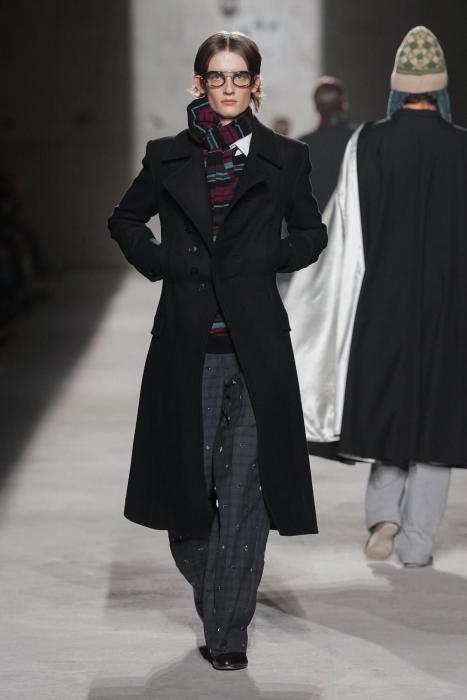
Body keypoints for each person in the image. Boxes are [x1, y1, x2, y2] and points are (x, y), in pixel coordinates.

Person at [108, 31, 327, 671]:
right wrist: (163, 264)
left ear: (255, 84)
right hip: (187, 346)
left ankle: (228, 632)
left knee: (246, 494)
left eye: (239, 77)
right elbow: (124, 219)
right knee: (187, 494)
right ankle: (221, 595)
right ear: (199, 83)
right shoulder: (167, 156)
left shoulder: (286, 157)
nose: (228, 87)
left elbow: (311, 232)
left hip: (257, 348)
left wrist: (268, 258)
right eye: (216, 76)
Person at [282, 26, 466, 568]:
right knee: (436, 417)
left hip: (382, 297)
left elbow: (345, 228)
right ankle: (418, 541)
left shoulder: (368, 142)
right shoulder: (462, 146)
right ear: (440, 86)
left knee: (390, 403)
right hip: (449, 304)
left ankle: (384, 517)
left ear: (397, 85)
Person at [298, 76, 354, 212]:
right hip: (352, 219)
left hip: (316, 221)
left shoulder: (302, 145)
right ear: (344, 104)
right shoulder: (362, 139)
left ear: (316, 106)